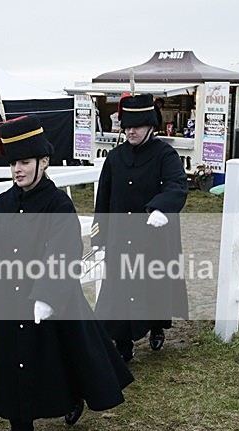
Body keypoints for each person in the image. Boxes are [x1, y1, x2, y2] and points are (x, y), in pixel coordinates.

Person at [0, 115, 134, 431]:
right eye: (13, 162)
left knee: (60, 359)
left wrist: (46, 295)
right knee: (14, 370)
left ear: (43, 162)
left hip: (51, 300)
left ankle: (74, 396)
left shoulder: (57, 205)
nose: (17, 169)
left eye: (25, 162)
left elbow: (63, 251)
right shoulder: (0, 206)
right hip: (10, 302)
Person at [91, 94, 189, 361]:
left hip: (153, 235)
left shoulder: (165, 155)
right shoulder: (114, 158)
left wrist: (161, 206)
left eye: (137, 126)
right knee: (119, 291)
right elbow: (104, 199)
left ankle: (156, 326)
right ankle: (123, 343)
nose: (131, 131)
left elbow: (177, 185)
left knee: (154, 286)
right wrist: (99, 236)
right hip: (121, 237)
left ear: (150, 126)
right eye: (127, 126)